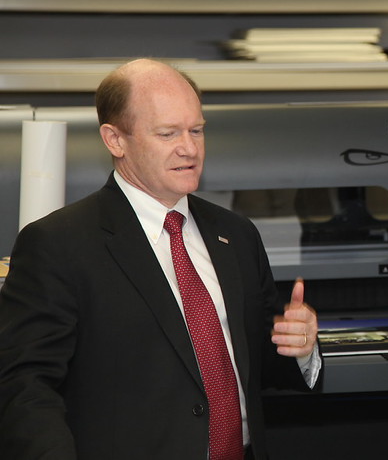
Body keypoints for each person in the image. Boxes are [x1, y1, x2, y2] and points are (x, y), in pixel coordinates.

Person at [0, 59, 322, 460]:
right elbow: (26, 386)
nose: (189, 148)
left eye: (197, 130)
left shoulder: (236, 234)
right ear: (115, 139)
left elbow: (258, 364)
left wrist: (301, 347)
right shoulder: (58, 244)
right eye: (167, 133)